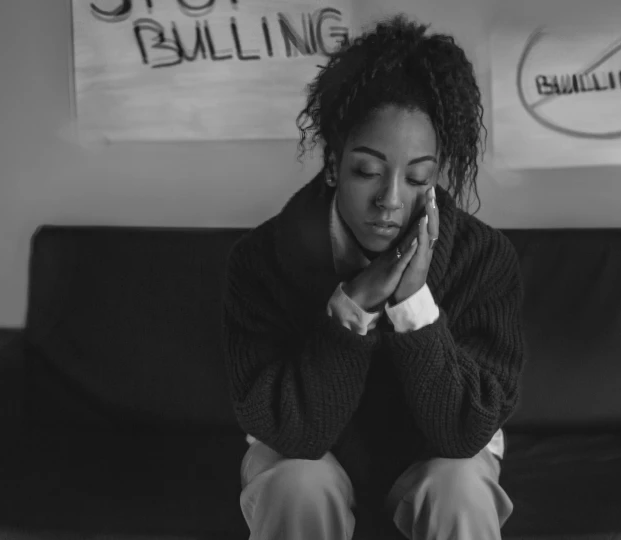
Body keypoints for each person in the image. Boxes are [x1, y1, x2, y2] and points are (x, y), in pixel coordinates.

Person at [222, 13, 524, 540]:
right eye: (367, 171)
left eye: (416, 177)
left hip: (434, 453)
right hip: (310, 451)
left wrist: (415, 307)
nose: (390, 201)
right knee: (296, 484)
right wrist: (352, 309)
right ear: (335, 164)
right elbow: (290, 431)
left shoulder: (486, 259)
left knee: (460, 486)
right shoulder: (260, 259)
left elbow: (466, 432)